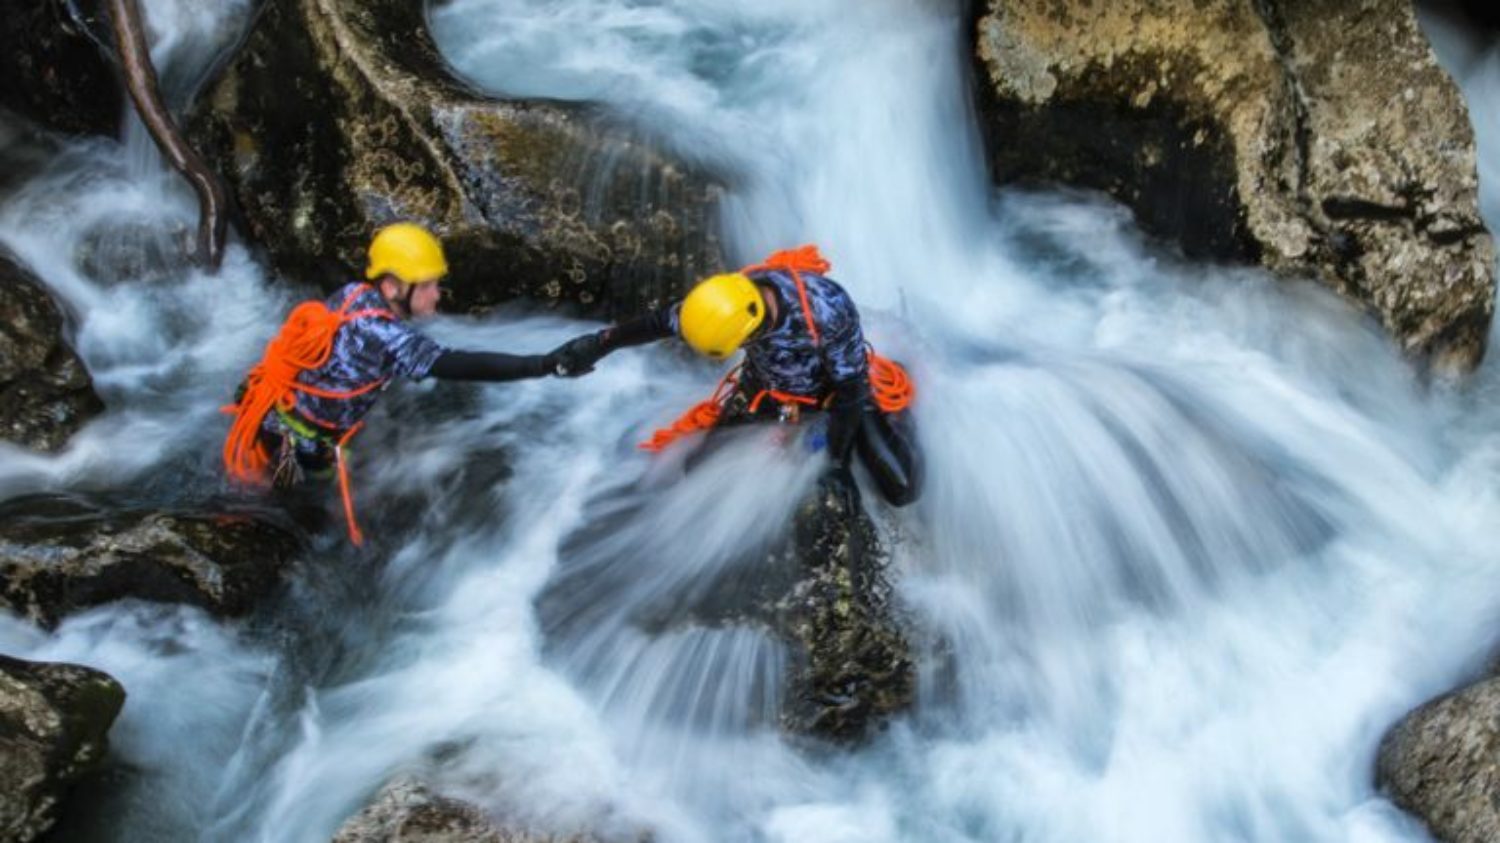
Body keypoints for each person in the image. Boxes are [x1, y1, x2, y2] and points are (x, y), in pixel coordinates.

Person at [223, 222, 564, 543]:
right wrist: (540, 364)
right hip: (298, 447)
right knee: (302, 526)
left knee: (268, 490)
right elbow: (458, 364)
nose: (437, 295)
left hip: (270, 414)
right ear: (391, 287)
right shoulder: (386, 336)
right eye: (428, 285)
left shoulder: (353, 293)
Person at [548, 245, 921, 506]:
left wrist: (836, 464)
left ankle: (902, 419)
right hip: (767, 386)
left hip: (835, 392)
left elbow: (851, 388)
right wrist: (599, 343)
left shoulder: (826, 309)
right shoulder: (721, 301)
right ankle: (791, 424)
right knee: (695, 470)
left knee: (900, 489)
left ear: (750, 331)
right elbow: (658, 323)